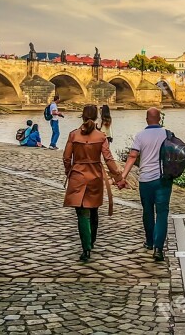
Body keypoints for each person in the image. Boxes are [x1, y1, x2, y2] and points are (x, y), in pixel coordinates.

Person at [62, 105, 122, 262]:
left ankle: (86, 249)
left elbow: (66, 158)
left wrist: (69, 171)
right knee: (93, 210)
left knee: (82, 214)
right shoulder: (101, 136)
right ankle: (92, 241)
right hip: (94, 175)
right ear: (96, 118)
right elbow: (108, 159)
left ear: (81, 116)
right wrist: (117, 176)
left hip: (77, 176)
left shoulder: (73, 135)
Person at [119, 107, 172, 262]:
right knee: (162, 213)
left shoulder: (140, 136)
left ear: (147, 119)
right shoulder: (167, 134)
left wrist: (123, 176)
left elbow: (132, 156)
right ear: (160, 119)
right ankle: (158, 248)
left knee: (148, 212)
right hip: (163, 180)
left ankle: (149, 242)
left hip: (145, 180)